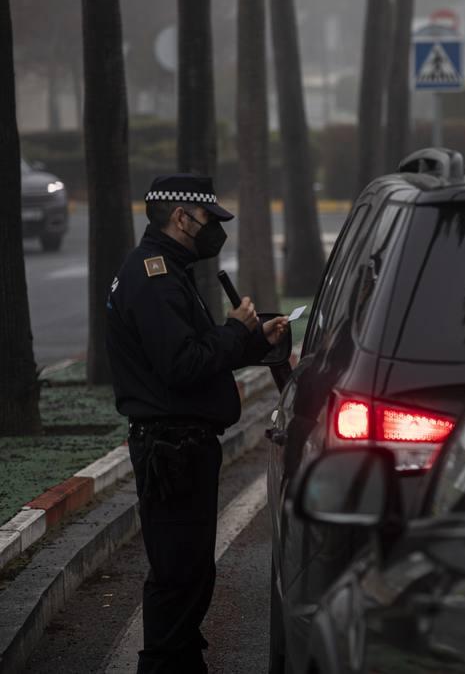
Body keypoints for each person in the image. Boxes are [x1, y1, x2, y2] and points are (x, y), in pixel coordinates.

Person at [106, 174, 288, 674]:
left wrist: (253, 340)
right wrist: (234, 330)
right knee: (178, 579)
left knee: (187, 576)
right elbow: (181, 364)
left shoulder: (167, 271)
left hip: (181, 446)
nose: (216, 231)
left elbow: (195, 354)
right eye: (210, 220)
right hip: (172, 449)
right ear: (183, 217)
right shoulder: (155, 277)